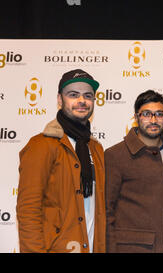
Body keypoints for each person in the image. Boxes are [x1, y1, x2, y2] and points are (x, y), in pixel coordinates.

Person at [17, 69, 105, 253]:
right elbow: (28, 210)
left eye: (88, 96)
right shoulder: (41, 145)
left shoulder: (96, 149)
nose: (82, 100)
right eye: (73, 95)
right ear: (59, 100)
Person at [105, 90, 163, 253]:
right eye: (146, 114)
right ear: (136, 117)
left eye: (159, 114)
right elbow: (106, 210)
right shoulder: (115, 155)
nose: (153, 120)